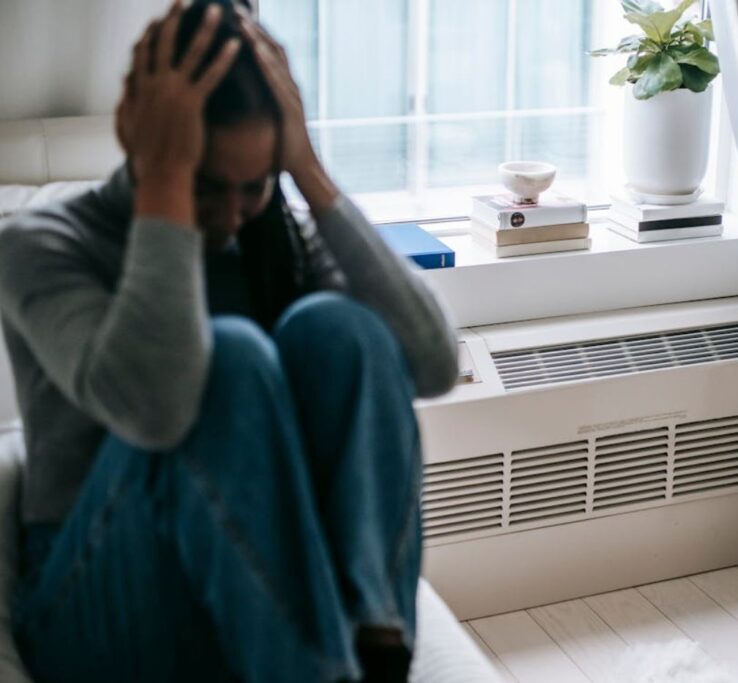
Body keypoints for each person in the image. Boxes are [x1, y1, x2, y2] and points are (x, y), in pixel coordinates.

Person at [0, 1, 459, 681]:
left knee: (342, 330)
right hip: (91, 601)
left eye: (256, 186)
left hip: (248, 586)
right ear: (144, 135)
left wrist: (309, 172)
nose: (230, 216)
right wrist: (163, 187)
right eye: (206, 185)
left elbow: (433, 362)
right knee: (233, 357)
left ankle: (375, 646)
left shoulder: (275, 239)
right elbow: (156, 407)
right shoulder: (42, 243)